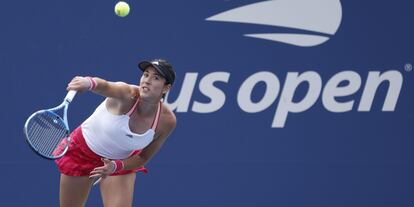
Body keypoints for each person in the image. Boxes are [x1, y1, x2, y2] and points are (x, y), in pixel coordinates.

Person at [54, 59, 177, 207]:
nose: (147, 81)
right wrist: (88, 83)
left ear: (166, 88)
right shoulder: (128, 94)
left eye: (156, 78)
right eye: (145, 75)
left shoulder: (167, 121)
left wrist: (116, 166)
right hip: (82, 151)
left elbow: (143, 157)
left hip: (120, 160)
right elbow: (105, 86)